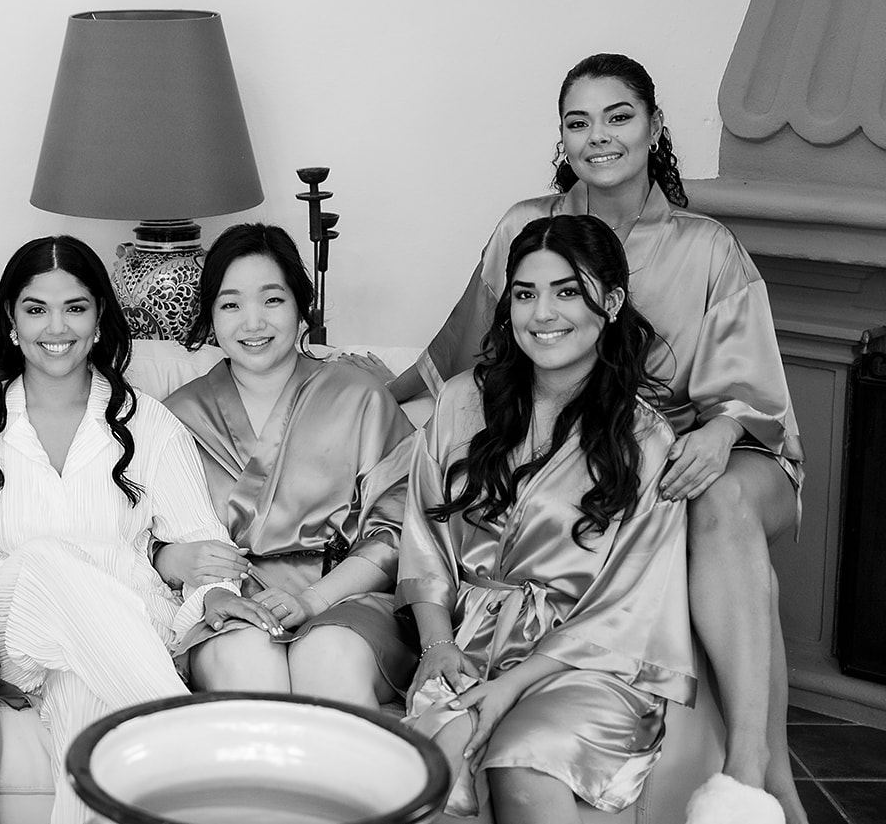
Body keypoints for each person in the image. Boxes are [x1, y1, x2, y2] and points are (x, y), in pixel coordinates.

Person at [391, 53, 804, 823]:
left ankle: (756, 769)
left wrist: (717, 431)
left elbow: (752, 387)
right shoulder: (526, 225)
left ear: (654, 126)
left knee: (715, 497)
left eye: (618, 116)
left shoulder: (705, 245)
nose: (598, 136)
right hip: (555, 439)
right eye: (578, 121)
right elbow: (463, 347)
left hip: (705, 441)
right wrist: (373, 399)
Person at [0, 235, 269, 824]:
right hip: (16, 630)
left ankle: (169, 752)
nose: (57, 326)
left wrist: (217, 593)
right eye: (35, 308)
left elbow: (205, 549)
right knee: (48, 558)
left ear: (100, 317)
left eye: (75, 307)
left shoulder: (148, 423)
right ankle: (193, 745)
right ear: (10, 321)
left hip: (123, 634)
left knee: (94, 749)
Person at [401, 213, 693, 822]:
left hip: (586, 661)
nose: (543, 314)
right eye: (526, 294)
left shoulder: (646, 439)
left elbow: (632, 604)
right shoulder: (460, 402)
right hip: (465, 642)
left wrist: (511, 687)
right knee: (435, 764)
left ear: (610, 302)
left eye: (567, 291)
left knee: (522, 758)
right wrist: (437, 644)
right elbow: (424, 538)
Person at [157, 223, 417, 706]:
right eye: (231, 304)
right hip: (229, 605)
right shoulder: (173, 417)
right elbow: (138, 534)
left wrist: (313, 601)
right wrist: (170, 558)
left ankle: (352, 784)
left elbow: (400, 530)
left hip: (348, 600)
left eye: (272, 300)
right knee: (247, 659)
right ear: (211, 315)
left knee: (329, 656)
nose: (252, 323)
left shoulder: (361, 398)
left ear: (302, 307)